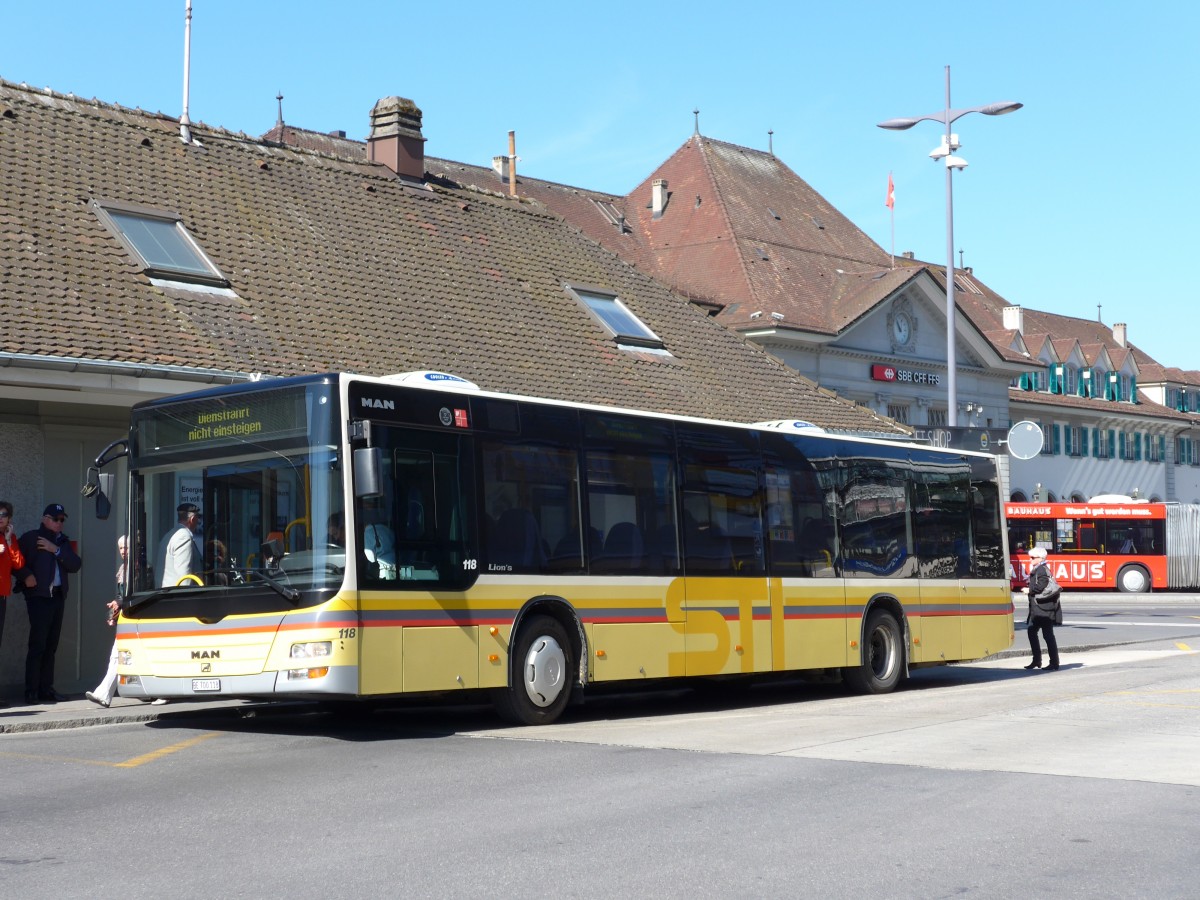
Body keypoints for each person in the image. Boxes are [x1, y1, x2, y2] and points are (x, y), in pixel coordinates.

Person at [16, 503, 82, 705]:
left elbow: (75, 565)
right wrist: (26, 576)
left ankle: (46, 688)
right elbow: (15, 562)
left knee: (51, 646)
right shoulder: (31, 538)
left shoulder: (62, 541)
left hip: (57, 597)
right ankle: (31, 690)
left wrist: (56, 550)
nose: (59, 523)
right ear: (45, 519)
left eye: (62, 520)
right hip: (39, 597)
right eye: (56, 519)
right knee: (38, 644)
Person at [86, 535, 126, 708]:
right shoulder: (124, 568)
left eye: (127, 548)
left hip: (135, 619)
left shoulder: (140, 567)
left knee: (117, 656)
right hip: (126, 618)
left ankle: (104, 694)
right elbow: (121, 597)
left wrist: (119, 603)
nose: (123, 551)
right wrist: (113, 612)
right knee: (117, 656)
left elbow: (135, 594)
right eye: (121, 548)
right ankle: (104, 694)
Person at [0, 500, 27, 709]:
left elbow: (18, 564)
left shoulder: (10, 538)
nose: (1, 518)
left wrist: (8, 542)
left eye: (4, 514)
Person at [1020, 546, 1060, 671]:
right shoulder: (1038, 569)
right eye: (1030, 557)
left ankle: (1054, 663)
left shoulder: (1042, 569)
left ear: (1041, 558)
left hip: (1043, 609)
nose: (1030, 560)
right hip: (1037, 608)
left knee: (1048, 635)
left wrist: (1029, 590)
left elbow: (1040, 587)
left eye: (1032, 558)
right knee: (1032, 631)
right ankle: (1037, 660)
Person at [158, 502, 203, 587]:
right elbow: (184, 578)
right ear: (192, 519)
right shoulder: (184, 536)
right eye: (198, 517)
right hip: (178, 597)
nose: (198, 521)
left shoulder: (169, 535)